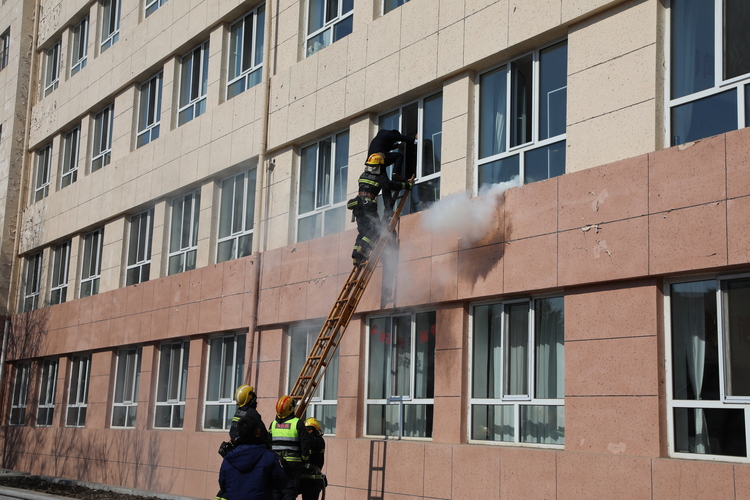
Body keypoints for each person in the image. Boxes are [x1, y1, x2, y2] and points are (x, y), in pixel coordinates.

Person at [348, 153, 412, 266]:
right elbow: (391, 185)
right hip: (368, 206)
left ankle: (356, 256)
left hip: (358, 206)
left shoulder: (363, 175)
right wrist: (406, 185)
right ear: (378, 166)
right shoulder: (380, 178)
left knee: (362, 231)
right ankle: (363, 249)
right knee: (375, 229)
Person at [217, 415, 287, 500]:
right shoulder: (268, 456)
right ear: (257, 432)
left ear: (238, 433)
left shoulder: (229, 458)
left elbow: (223, 485)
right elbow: (281, 483)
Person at [269, 396, 311, 500]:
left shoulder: (273, 424)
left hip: (276, 465)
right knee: (289, 494)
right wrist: (304, 460)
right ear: (291, 408)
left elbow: (268, 444)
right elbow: (305, 444)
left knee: (276, 493)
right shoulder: (298, 423)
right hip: (292, 467)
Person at [298, 418, 326, 500]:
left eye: (309, 430)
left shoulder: (319, 441)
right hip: (301, 477)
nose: (307, 432)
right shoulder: (305, 441)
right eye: (305, 430)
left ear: (316, 430)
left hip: (313, 479)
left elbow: (309, 440)